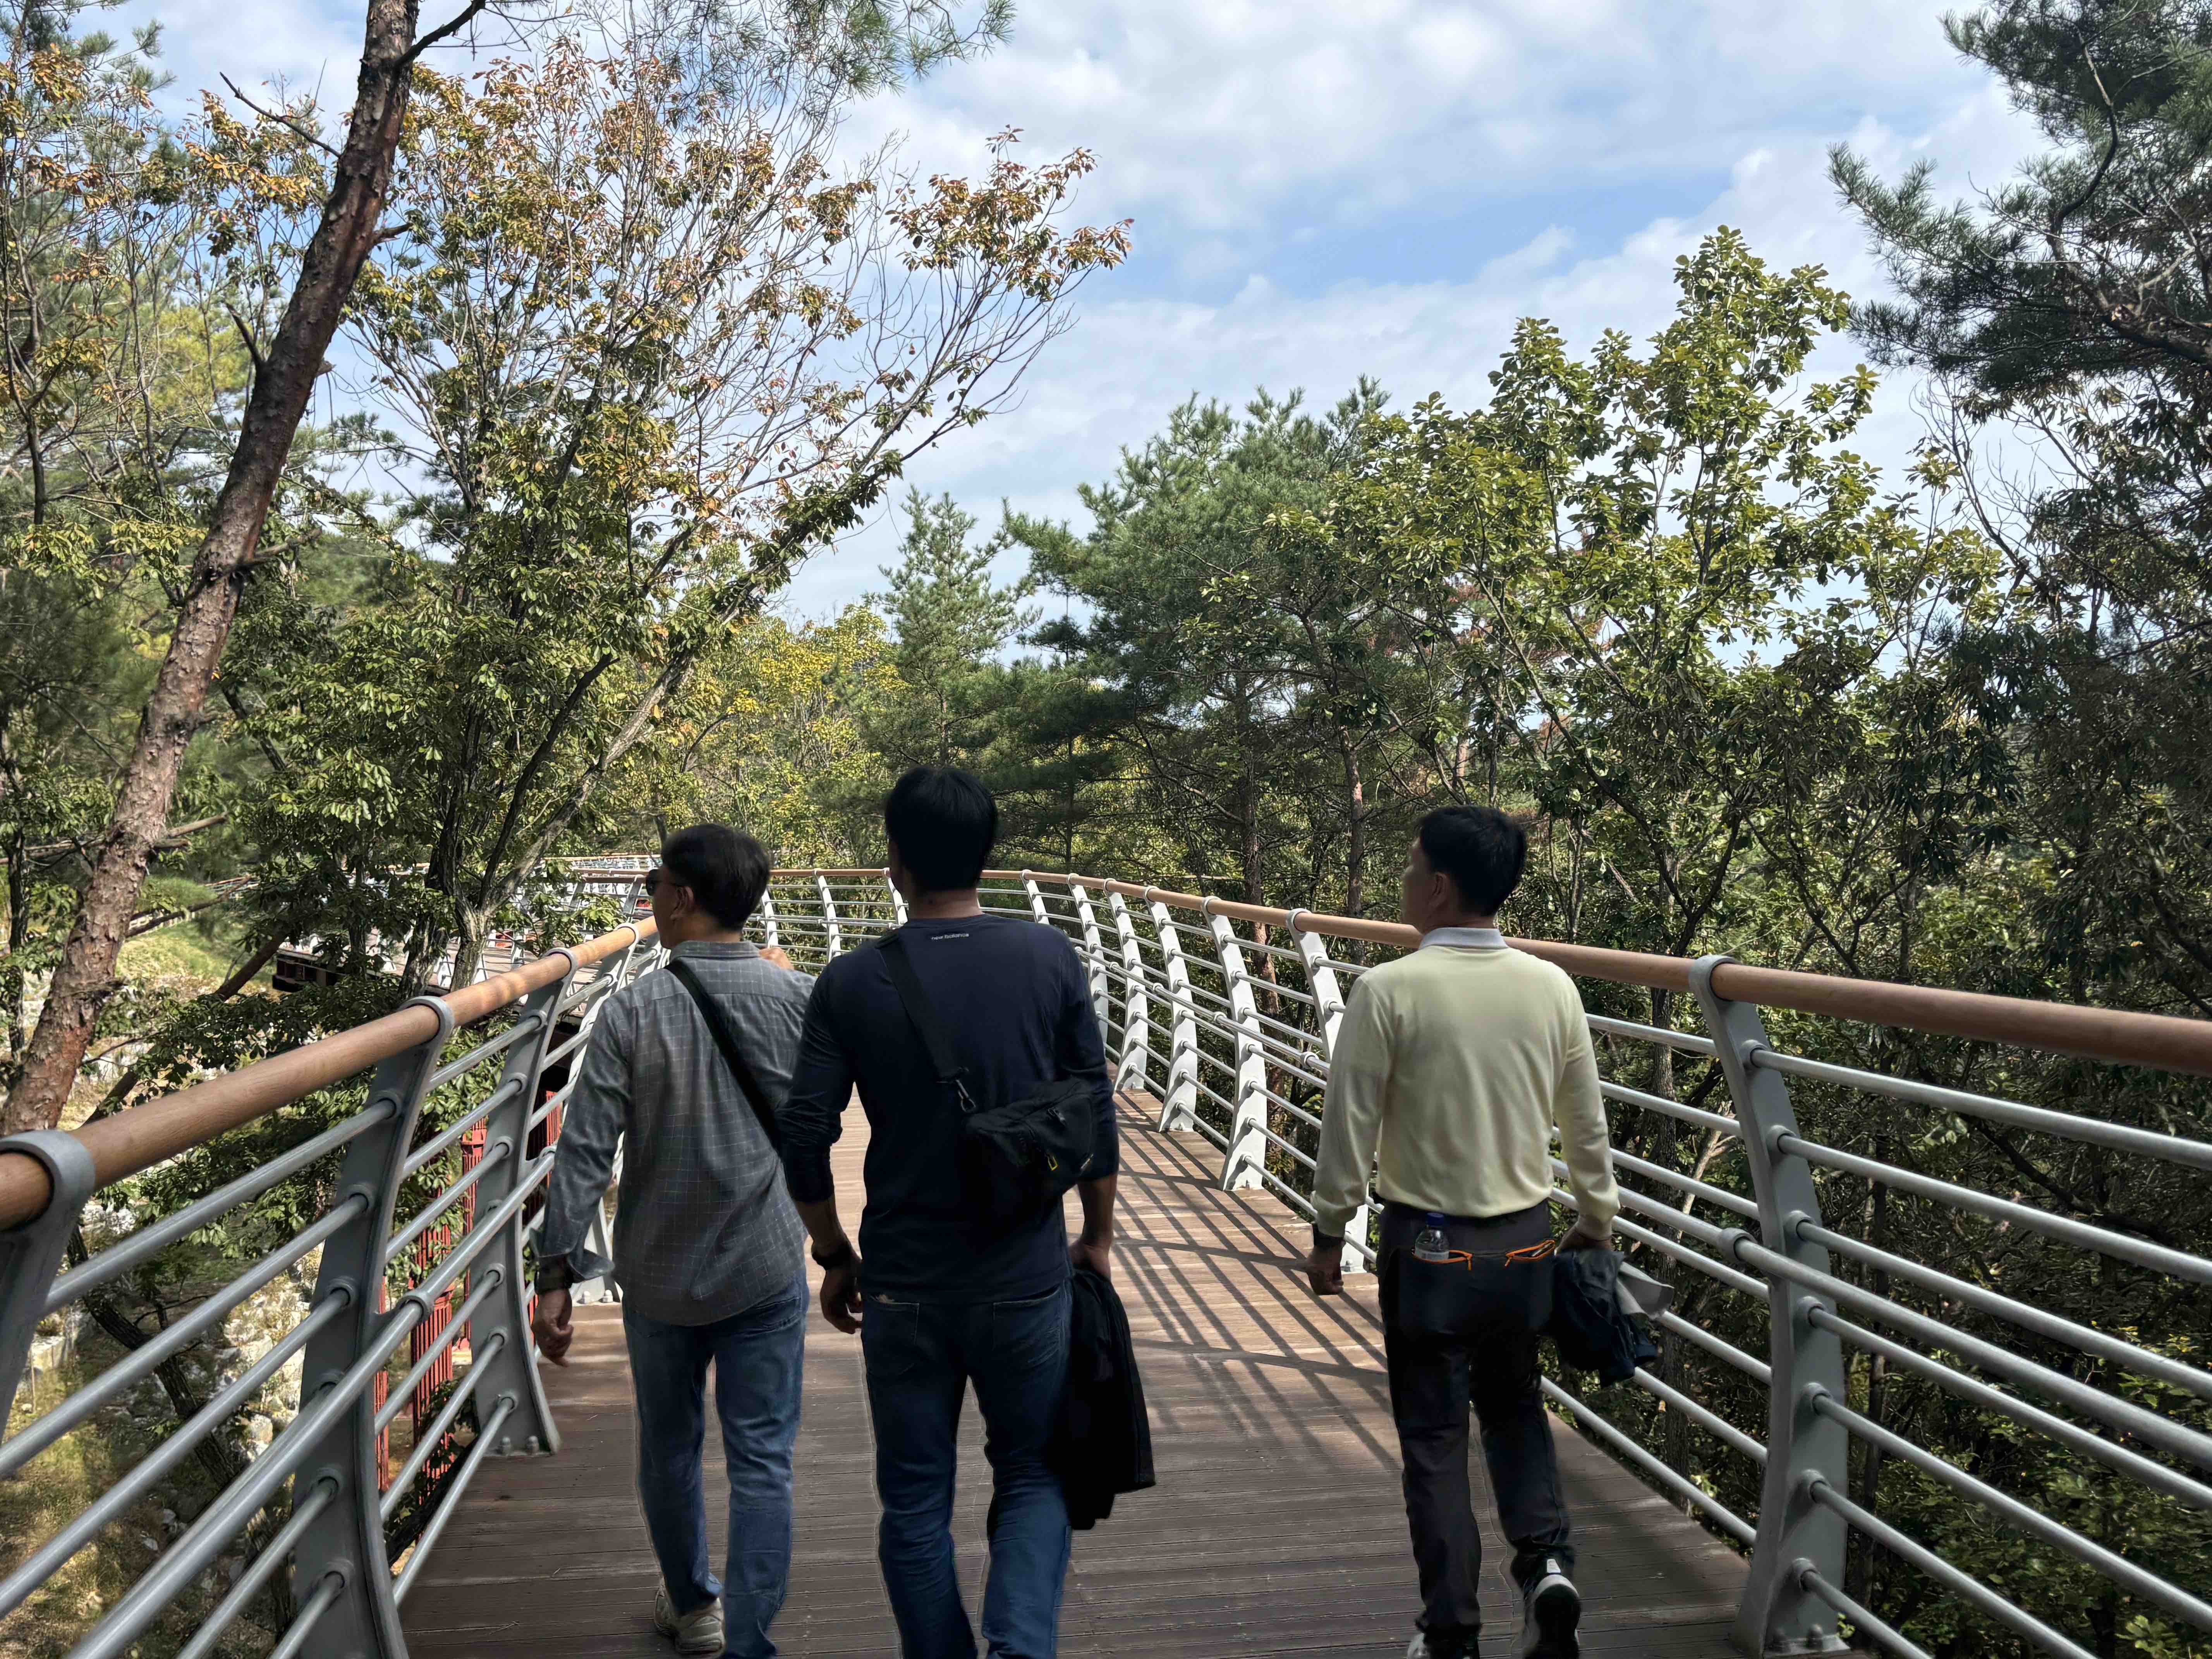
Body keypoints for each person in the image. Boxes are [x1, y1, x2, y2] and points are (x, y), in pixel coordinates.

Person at [780, 766, 1118, 1659]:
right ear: (986, 854)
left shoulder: (853, 982)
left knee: (915, 1501)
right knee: (1034, 1473)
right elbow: (1094, 1109)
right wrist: (1098, 1238)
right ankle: (1021, 1648)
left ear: (894, 857)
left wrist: (834, 1254)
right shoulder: (1048, 958)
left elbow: (805, 1136)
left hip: (904, 1284)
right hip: (1026, 1275)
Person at [1307, 805, 1620, 1659]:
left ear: (1440, 888)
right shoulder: (1551, 987)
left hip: (1429, 1252)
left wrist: (1330, 1231)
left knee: (1436, 1441)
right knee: (1516, 1406)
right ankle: (1547, 1565)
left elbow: (1350, 1127)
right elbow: (1585, 1127)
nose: (1404, 880)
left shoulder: (1389, 990)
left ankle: (1452, 1630)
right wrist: (1595, 1222)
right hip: (1525, 1245)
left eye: (1412, 867)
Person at [533, 825, 812, 1659]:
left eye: (654, 881)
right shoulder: (797, 1000)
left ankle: (695, 1612)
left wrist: (555, 1272)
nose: (648, 893)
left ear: (683, 899)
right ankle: (751, 1636)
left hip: (659, 1274)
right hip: (765, 1261)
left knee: (670, 1447)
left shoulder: (631, 1010)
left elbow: (585, 1151)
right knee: (763, 1459)